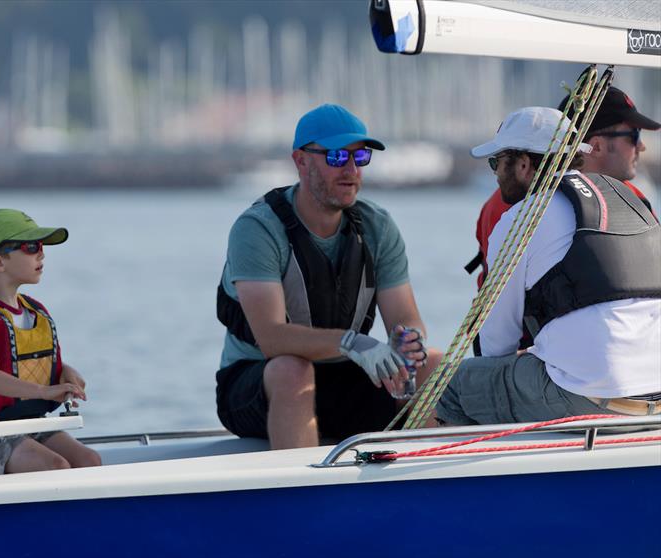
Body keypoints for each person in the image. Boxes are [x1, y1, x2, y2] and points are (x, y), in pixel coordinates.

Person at [215, 104, 439, 449]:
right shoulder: (257, 230)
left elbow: (407, 319)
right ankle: (298, 495)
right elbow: (272, 339)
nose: (350, 170)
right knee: (293, 370)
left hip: (340, 378)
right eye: (336, 157)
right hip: (258, 382)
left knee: (434, 365)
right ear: (301, 161)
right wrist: (353, 343)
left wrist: (408, 343)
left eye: (360, 157)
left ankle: (425, 489)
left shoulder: (378, 227)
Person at [437, 107, 661, 426]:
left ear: (524, 164)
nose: (496, 175)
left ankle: (497, 472)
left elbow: (495, 344)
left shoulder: (519, 219)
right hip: (656, 393)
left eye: (496, 163)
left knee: (457, 385)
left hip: (593, 398)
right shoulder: (628, 197)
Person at [0, 209, 102, 474]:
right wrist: (44, 392)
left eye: (41, 246)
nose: (41, 253)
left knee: (90, 461)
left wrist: (64, 373)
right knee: (54, 465)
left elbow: (26, 362)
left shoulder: (33, 310)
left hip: (28, 422)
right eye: (30, 247)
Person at [466, 86, 659, 289]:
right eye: (634, 135)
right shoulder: (510, 207)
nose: (641, 146)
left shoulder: (634, 199)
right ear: (597, 146)